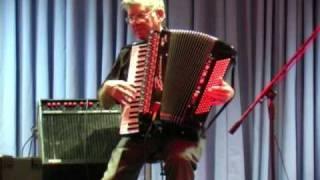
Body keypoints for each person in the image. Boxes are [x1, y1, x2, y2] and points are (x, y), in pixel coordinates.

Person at [98, 0, 235, 179]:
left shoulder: (190, 48)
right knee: (114, 174)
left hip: (184, 132)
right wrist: (108, 90)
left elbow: (215, 85)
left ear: (160, 14)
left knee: (179, 160)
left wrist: (228, 93)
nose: (134, 22)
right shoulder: (129, 54)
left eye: (140, 15)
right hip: (141, 131)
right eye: (130, 17)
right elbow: (104, 99)